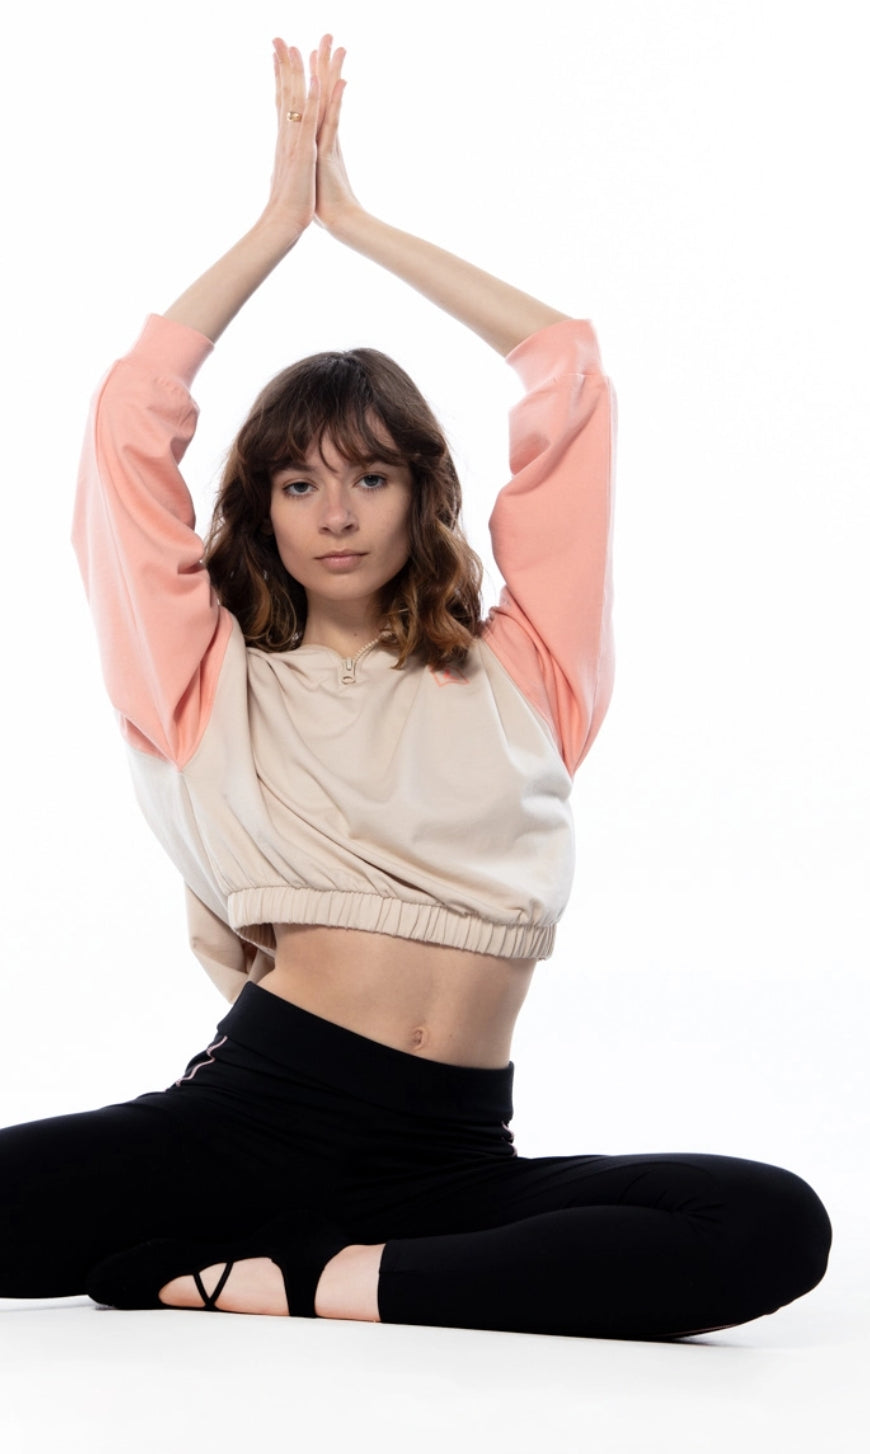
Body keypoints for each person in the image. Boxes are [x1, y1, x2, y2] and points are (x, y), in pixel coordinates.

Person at [0, 36, 831, 1338]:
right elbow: (125, 430)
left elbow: (569, 374)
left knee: (772, 1223)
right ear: (259, 505)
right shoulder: (205, 679)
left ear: (419, 494)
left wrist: (362, 225)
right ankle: (302, 1255)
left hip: (452, 1158)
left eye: (370, 475)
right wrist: (280, 225)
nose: (336, 511)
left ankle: (307, 1276)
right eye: (298, 480)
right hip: (254, 1123)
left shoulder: (522, 671)